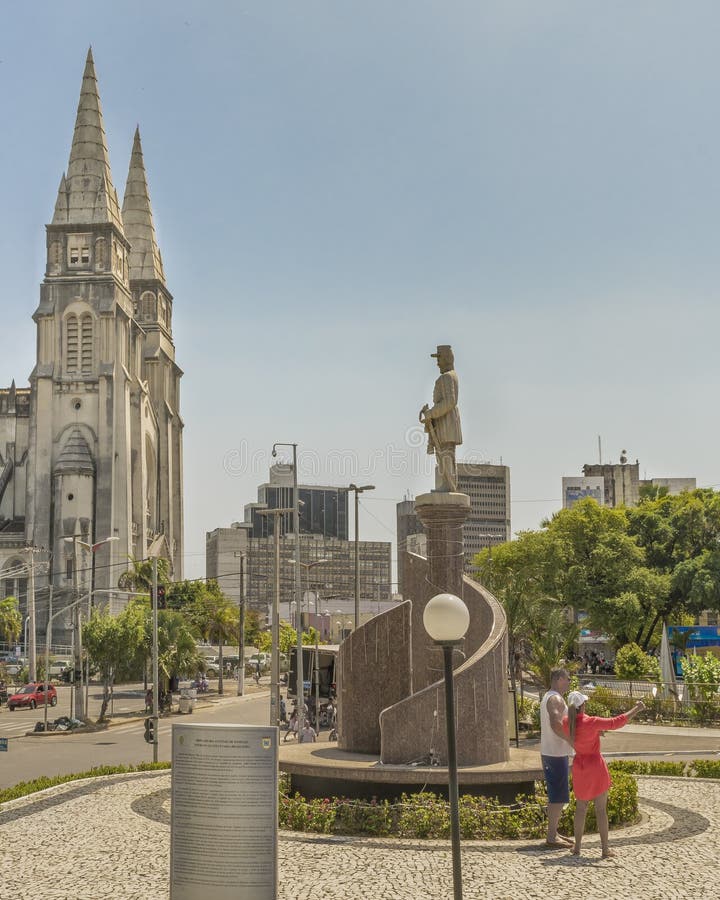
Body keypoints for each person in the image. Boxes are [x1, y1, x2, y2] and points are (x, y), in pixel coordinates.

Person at [563, 691, 645, 858]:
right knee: (601, 810)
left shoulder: (567, 722)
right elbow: (617, 722)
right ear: (583, 705)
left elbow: (576, 733)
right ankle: (605, 850)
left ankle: (577, 847)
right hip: (596, 767)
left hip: (580, 767)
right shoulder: (591, 722)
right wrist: (637, 708)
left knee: (580, 808)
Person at [539, 667, 573, 848]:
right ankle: (552, 836)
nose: (568, 682)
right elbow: (556, 722)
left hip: (552, 752)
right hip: (555, 753)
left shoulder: (548, 697)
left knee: (557, 795)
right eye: (567, 678)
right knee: (558, 796)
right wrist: (571, 741)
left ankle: (554, 832)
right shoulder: (555, 698)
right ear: (559, 678)